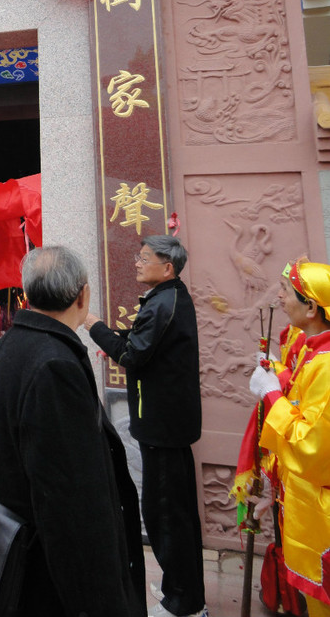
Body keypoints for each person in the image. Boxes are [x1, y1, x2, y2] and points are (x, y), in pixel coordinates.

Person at [0, 245, 146, 617]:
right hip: (43, 577)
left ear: (27, 293)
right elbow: (71, 503)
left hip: (12, 551)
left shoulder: (11, 343)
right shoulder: (55, 365)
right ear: (83, 295)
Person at [84, 234, 206, 617]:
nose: (137, 262)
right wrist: (116, 339)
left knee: (168, 516)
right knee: (168, 512)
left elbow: (134, 354)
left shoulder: (164, 303)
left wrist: (93, 325)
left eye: (144, 258)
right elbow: (142, 345)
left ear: (166, 268)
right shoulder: (167, 298)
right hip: (167, 425)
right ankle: (177, 588)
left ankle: (185, 605)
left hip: (164, 428)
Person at [248, 259, 330, 616]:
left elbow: (311, 446)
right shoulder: (312, 351)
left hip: (318, 510)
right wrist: (276, 374)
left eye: (286, 291)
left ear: (311, 307)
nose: (279, 298)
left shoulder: (326, 366)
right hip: (298, 501)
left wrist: (271, 395)